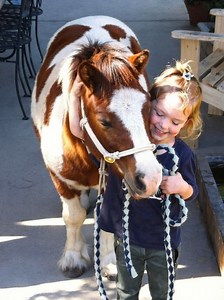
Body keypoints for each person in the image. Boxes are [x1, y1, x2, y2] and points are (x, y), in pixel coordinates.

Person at [99, 60, 203, 300]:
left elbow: (193, 192)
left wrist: (182, 187)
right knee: (125, 292)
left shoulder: (183, 155)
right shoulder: (127, 147)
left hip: (163, 243)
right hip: (128, 237)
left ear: (186, 123)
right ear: (149, 104)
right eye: (159, 113)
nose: (164, 125)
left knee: (162, 293)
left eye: (175, 122)